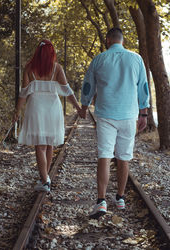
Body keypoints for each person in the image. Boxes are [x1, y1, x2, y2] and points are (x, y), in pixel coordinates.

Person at [80, 28, 150, 219]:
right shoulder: (136, 59)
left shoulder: (99, 59)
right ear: (122, 40)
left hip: (105, 115)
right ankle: (120, 198)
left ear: (108, 39)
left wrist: (84, 106)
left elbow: (88, 85)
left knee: (104, 154)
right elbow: (143, 86)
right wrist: (144, 113)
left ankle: (101, 201)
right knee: (123, 157)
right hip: (129, 115)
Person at [13, 39, 81, 192]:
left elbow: (23, 93)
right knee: (49, 143)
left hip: (36, 106)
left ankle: (45, 179)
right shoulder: (56, 68)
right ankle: (45, 179)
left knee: (41, 145)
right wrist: (78, 107)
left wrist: (17, 111)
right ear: (52, 53)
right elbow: (68, 90)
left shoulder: (29, 68)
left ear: (38, 52)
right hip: (52, 107)